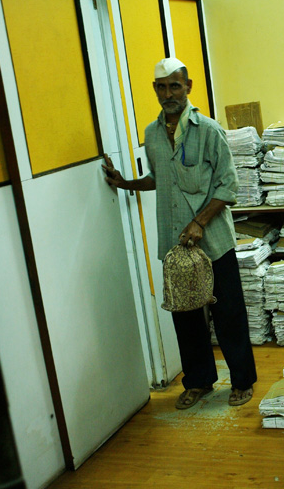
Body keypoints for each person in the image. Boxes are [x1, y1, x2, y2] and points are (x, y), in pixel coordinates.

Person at [101, 57, 257, 410]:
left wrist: (200, 221)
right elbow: (161, 179)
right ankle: (199, 382)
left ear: (188, 87)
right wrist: (125, 182)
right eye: (161, 87)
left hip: (214, 243)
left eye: (175, 86)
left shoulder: (209, 130)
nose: (168, 93)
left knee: (228, 313)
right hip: (176, 244)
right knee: (185, 315)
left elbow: (228, 185)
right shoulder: (153, 134)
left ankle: (242, 382)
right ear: (155, 90)